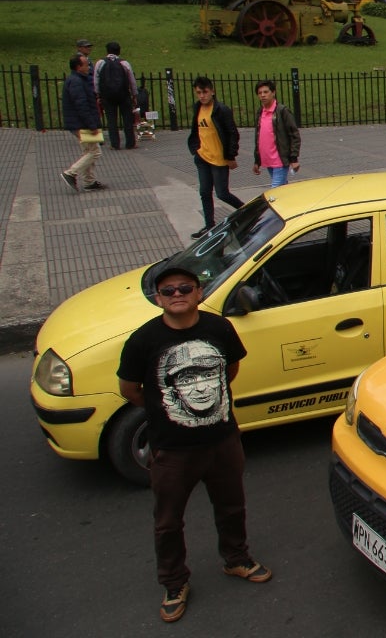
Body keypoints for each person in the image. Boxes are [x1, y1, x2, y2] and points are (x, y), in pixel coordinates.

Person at [117, 266, 269, 624]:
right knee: (168, 522)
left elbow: (229, 369)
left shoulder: (219, 329)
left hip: (222, 441)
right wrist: (161, 409)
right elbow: (130, 390)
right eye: (168, 291)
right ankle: (174, 583)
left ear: (199, 293)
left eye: (185, 287)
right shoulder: (142, 341)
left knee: (232, 506)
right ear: (158, 300)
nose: (177, 294)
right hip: (172, 451)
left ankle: (237, 559)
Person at [187, 77, 243, 239]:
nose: (202, 96)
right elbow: (196, 130)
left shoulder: (221, 110)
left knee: (222, 193)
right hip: (202, 157)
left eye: (205, 92)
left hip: (219, 159)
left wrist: (231, 155)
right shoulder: (198, 108)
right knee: (204, 192)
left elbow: (233, 133)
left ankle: (247, 211)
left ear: (212, 91)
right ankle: (209, 226)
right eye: (199, 93)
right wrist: (195, 149)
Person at [61, 53, 105, 193]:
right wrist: (92, 125)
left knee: (88, 150)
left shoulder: (78, 79)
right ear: (78, 67)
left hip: (79, 123)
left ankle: (89, 182)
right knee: (95, 152)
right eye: (86, 64)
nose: (89, 66)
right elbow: (81, 105)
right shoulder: (76, 82)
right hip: (81, 124)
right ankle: (71, 173)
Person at [249, 80, 300, 188]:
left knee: (274, 192)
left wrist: (294, 158)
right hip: (267, 159)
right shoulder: (260, 112)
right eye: (260, 93)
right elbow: (258, 138)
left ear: (273, 92)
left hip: (280, 160)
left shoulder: (282, 111)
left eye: (266, 92)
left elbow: (294, 134)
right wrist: (257, 161)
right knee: (282, 189)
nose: (263, 95)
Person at [94, 40, 139, 150]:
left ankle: (115, 144)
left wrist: (98, 95)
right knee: (127, 119)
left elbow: (96, 80)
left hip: (107, 96)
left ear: (107, 51)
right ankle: (130, 143)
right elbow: (132, 80)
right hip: (123, 95)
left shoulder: (100, 63)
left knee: (111, 120)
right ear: (119, 51)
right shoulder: (124, 63)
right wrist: (134, 94)